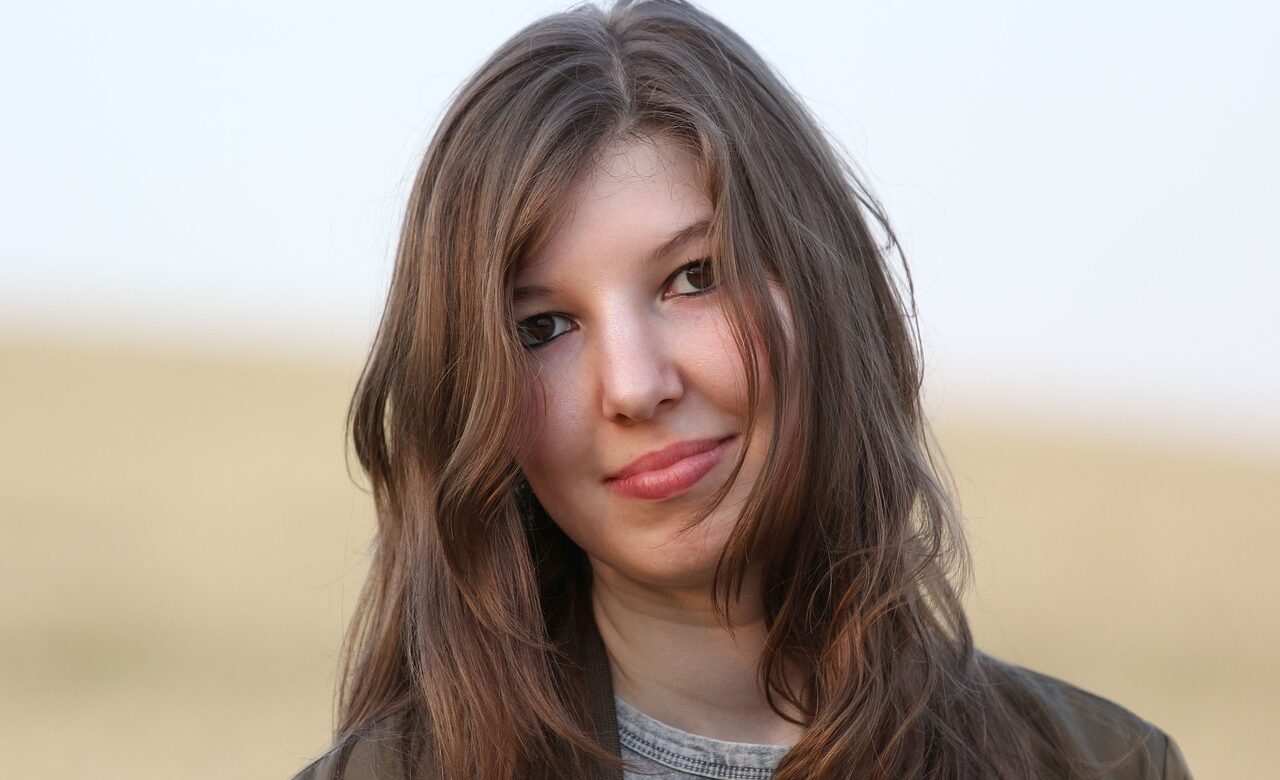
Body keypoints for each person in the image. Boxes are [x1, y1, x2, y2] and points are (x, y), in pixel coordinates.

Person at [293, 1, 1193, 777]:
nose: (635, 387)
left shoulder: (1101, 766)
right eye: (543, 328)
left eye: (694, 277)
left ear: (824, 286)